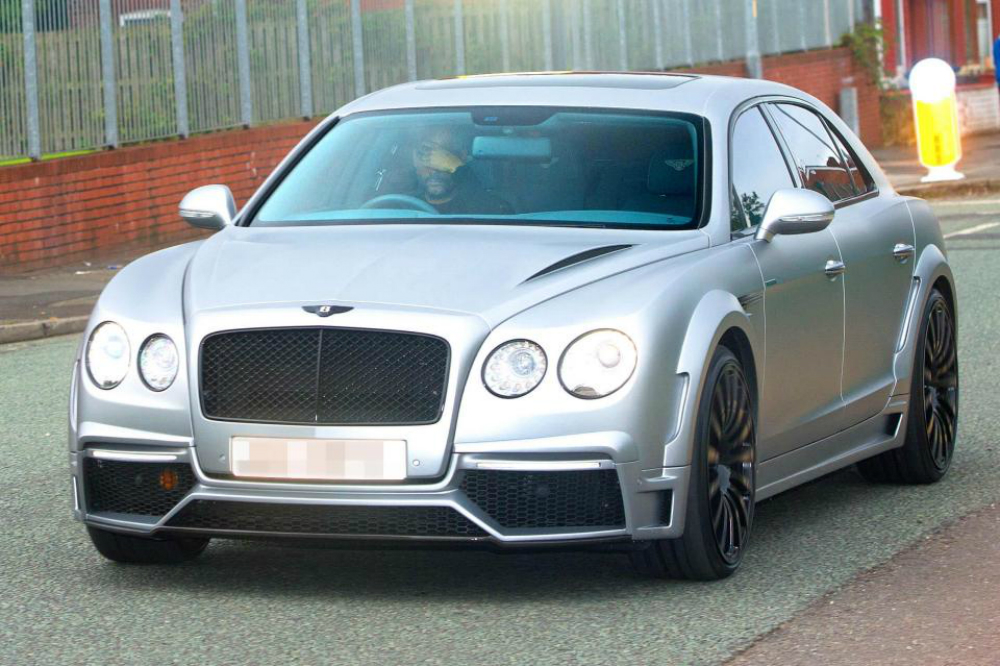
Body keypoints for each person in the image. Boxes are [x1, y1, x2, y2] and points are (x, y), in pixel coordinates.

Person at [410, 127, 512, 215]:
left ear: (461, 157)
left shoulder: (483, 203)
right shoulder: (403, 204)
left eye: (442, 157)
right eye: (425, 156)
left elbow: (493, 213)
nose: (434, 168)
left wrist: (458, 168)